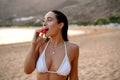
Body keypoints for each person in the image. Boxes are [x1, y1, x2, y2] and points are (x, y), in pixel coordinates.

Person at [24, 10, 79, 80]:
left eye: (49, 20)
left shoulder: (73, 48)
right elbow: (27, 71)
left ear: (60, 25)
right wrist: (33, 45)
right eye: (44, 21)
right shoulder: (40, 45)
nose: (44, 24)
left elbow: (74, 77)